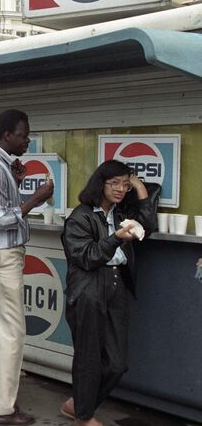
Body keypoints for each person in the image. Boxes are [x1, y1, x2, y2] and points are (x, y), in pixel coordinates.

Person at [61, 160, 157, 426]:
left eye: (124, 184)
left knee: (117, 363)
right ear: (100, 183)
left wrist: (138, 187)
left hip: (116, 285)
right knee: (88, 356)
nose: (120, 189)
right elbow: (86, 256)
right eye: (114, 183)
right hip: (88, 287)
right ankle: (84, 415)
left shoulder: (120, 211)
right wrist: (116, 237)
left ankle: (78, 404)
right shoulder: (81, 216)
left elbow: (147, 225)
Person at [0, 109, 54, 426]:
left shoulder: (1, 165)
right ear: (7, 135)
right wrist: (35, 198)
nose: (28, 140)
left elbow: (2, 210)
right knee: (13, 332)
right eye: (24, 134)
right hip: (2, 254)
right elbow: (0, 220)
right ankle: (2, 409)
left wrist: (18, 185)